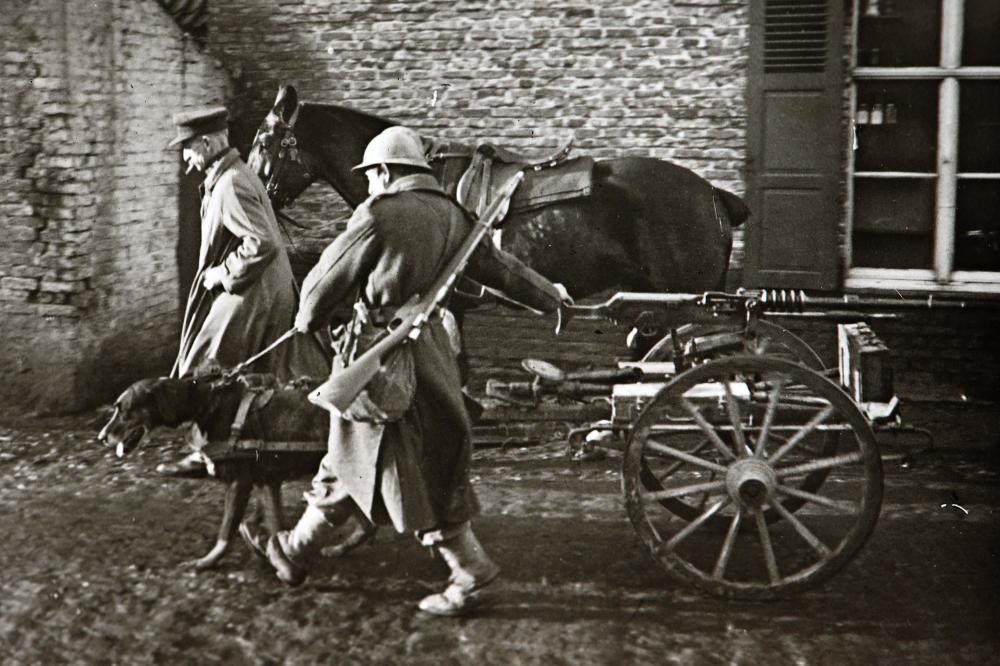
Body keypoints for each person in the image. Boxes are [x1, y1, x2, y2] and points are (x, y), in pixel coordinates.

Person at [243, 126, 572, 616]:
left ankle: (473, 575)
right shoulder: (455, 216)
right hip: (431, 356)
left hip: (380, 360)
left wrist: (309, 324)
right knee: (353, 457)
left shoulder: (378, 215)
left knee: (402, 467)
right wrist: (552, 297)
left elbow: (313, 299)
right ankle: (295, 550)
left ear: (383, 172)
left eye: (371, 176)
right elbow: (502, 270)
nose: (370, 184)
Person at [159, 105, 331, 477]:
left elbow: (261, 243)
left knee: (208, 361)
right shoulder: (231, 175)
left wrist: (221, 275)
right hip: (264, 288)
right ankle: (259, 445)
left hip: (255, 291)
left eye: (187, 147)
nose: (186, 156)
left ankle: (208, 450)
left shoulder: (232, 182)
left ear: (206, 143)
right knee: (271, 373)